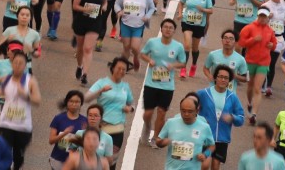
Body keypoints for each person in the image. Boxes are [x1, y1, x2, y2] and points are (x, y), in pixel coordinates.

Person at [140, 18, 186, 148]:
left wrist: (173, 65)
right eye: (165, 27)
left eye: (171, 28)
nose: (168, 29)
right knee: (147, 113)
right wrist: (149, 60)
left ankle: (155, 138)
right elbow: (142, 54)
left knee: (161, 112)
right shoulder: (152, 42)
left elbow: (183, 63)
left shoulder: (178, 46)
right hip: (151, 84)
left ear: (174, 31)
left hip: (167, 86)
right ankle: (147, 126)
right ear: (161, 29)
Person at [0, 48, 41, 169]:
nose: (17, 65)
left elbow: (37, 101)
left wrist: (25, 94)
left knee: (18, 156)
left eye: (21, 63)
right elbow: (0, 92)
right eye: (15, 62)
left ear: (25, 65)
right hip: (7, 123)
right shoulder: (7, 79)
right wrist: (1, 92)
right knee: (4, 152)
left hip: (23, 126)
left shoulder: (30, 81)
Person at [195, 66, 244, 170]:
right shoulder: (203, 93)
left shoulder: (232, 97)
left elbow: (241, 118)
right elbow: (190, 106)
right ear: (215, 78)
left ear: (229, 80)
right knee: (204, 165)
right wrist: (199, 119)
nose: (223, 79)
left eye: (226, 78)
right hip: (205, 136)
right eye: (220, 76)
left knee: (216, 166)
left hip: (222, 138)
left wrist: (232, 117)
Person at [86, 56, 135, 158]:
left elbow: (131, 104)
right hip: (101, 128)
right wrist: (100, 91)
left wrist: (129, 108)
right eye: (119, 68)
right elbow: (86, 98)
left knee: (110, 162)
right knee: (95, 159)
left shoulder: (125, 87)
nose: (121, 71)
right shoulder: (102, 82)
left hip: (117, 130)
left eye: (124, 69)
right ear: (113, 68)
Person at [155, 93, 215, 170]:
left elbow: (212, 145)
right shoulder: (171, 123)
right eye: (183, 111)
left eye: (190, 111)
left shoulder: (204, 127)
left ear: (197, 111)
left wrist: (205, 154)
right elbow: (158, 141)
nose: (186, 114)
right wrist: (162, 142)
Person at [237, 7, 276, 124]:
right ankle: (249, 102)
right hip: (250, 61)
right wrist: (253, 40)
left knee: (257, 88)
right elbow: (241, 43)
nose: (263, 19)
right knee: (250, 86)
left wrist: (271, 45)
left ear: (268, 18)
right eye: (261, 16)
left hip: (264, 62)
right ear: (258, 16)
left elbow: (274, 44)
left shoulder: (270, 30)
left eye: (265, 17)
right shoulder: (249, 28)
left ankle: (254, 114)